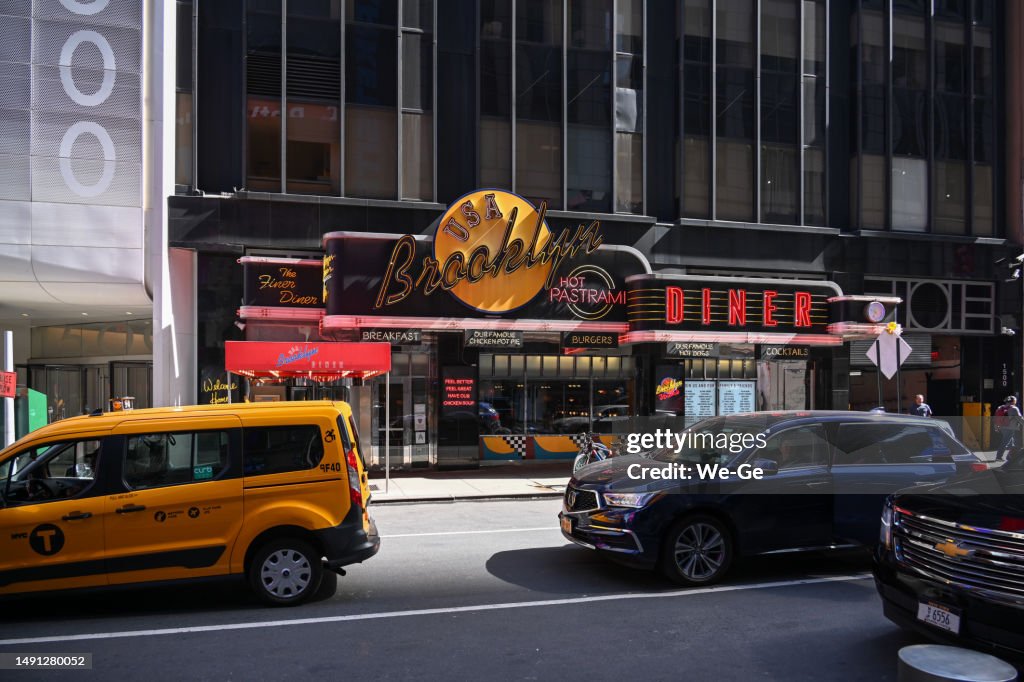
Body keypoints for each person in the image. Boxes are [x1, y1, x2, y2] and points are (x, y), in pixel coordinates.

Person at [995, 396, 1023, 461]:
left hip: (1002, 427)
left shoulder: (1000, 407)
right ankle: (999, 457)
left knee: (1010, 442)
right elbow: (1020, 418)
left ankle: (1010, 457)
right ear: (1013, 401)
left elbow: (996, 418)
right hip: (1010, 427)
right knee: (1005, 442)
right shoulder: (1014, 408)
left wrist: (996, 426)